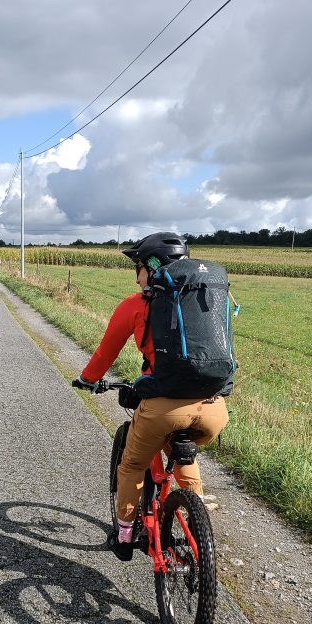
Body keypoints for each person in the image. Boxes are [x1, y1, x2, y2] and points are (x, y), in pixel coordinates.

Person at [73, 232, 231, 561]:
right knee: (185, 462)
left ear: (152, 267)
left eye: (140, 267)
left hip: (163, 408)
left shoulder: (136, 305)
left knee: (131, 464)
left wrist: (88, 380)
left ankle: (125, 535)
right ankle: (195, 536)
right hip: (215, 407)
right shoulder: (206, 299)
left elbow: (105, 354)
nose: (138, 275)